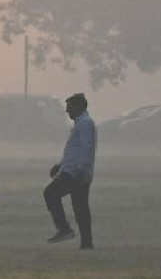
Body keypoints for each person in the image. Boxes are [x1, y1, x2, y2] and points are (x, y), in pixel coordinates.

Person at [44, 92, 96, 249]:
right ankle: (86, 243)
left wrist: (81, 169)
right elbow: (75, 151)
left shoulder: (85, 124)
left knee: (50, 194)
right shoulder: (82, 123)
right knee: (80, 207)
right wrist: (60, 165)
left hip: (74, 172)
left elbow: (86, 148)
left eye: (69, 107)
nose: (67, 111)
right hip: (74, 170)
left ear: (78, 107)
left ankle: (64, 229)